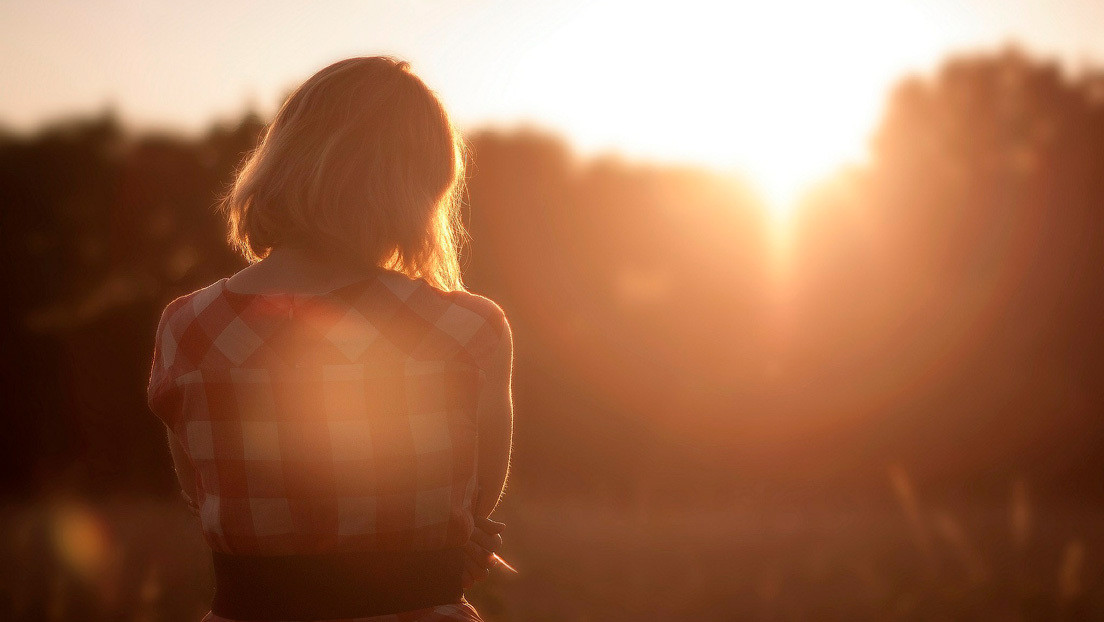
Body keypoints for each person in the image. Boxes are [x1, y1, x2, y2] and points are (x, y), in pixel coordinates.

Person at [146, 56, 514, 622]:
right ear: (417, 189)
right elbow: (476, 498)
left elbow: (204, 494)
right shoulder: (466, 328)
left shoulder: (187, 326)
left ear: (283, 159)